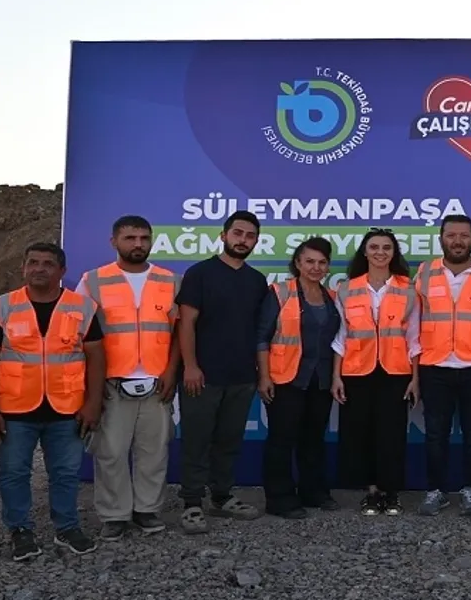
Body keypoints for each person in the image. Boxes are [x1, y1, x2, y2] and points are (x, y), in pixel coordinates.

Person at [0, 243, 104, 561]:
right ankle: (20, 530)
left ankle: (67, 527)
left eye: (48, 263)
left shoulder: (83, 307)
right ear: (23, 268)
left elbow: (97, 358)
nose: (39, 269)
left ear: (62, 271)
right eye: (33, 262)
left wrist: (93, 403)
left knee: (65, 473)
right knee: (14, 473)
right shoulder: (3, 306)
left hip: (67, 409)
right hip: (15, 409)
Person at [76, 215, 180, 541]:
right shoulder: (93, 281)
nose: (138, 244)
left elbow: (180, 333)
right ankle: (114, 515)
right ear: (114, 242)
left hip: (157, 383)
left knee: (154, 451)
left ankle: (147, 509)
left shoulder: (170, 281)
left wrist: (171, 372)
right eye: (130, 238)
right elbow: (81, 333)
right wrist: (91, 386)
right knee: (110, 452)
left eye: (144, 238)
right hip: (112, 384)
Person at [175, 211, 268, 533]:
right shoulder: (200, 273)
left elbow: (259, 331)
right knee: (197, 441)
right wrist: (190, 366)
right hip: (203, 375)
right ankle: (191, 503)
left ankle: (221, 496)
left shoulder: (256, 281)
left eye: (250, 236)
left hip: (241, 376)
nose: (243, 240)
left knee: (229, 440)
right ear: (223, 235)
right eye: (238, 233)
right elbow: (186, 323)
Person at [413, 215, 471, 517]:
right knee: (435, 433)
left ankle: (470, 490)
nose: (457, 241)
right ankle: (435, 491)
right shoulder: (424, 273)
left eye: (464, 235)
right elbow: (413, 321)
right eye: (451, 235)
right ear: (441, 238)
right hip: (434, 364)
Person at [332, 228, 420, 516]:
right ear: (365, 252)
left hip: (395, 372)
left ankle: (391, 492)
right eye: (374, 247)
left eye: (386, 247)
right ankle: (371, 491)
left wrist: (415, 379)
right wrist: (336, 376)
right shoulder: (347, 288)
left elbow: (414, 338)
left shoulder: (408, 289)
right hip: (357, 371)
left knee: (392, 434)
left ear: (394, 253)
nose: (380, 252)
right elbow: (341, 336)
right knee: (361, 433)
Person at [257, 237, 340, 519]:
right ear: (297, 263)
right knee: (282, 440)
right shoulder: (280, 293)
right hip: (285, 378)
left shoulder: (332, 297)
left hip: (320, 380)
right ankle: (279, 498)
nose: (316, 267)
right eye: (310, 261)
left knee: (313, 438)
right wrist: (264, 376)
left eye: (322, 262)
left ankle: (313, 491)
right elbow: (262, 337)